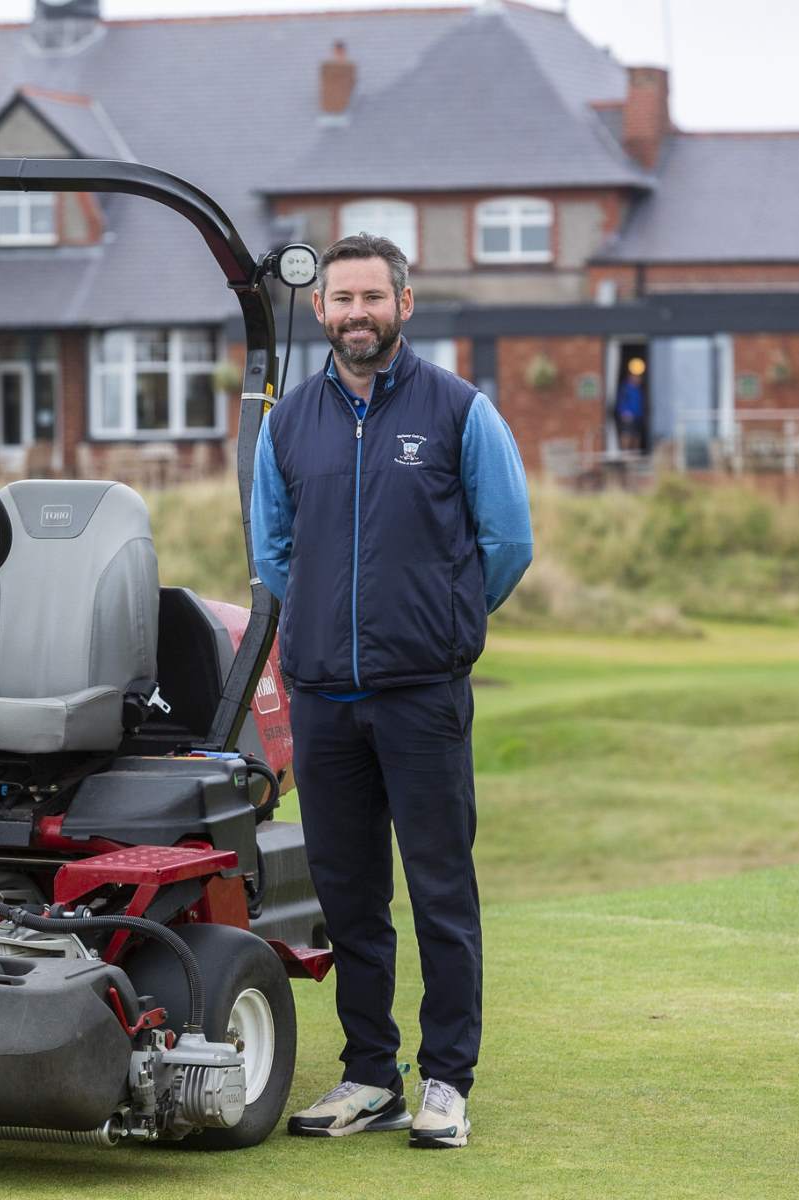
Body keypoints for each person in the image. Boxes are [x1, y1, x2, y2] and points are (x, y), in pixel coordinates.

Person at [250, 233, 532, 1149]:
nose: (356, 313)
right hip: (324, 698)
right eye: (342, 300)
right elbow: (274, 552)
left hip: (422, 696)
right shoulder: (288, 422)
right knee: (348, 892)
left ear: (404, 305)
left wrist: (441, 622)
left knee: (441, 889)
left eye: (374, 297)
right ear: (323, 309)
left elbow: (506, 543)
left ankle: (447, 1079)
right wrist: (325, 632)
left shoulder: (459, 410)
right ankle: (370, 1073)